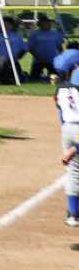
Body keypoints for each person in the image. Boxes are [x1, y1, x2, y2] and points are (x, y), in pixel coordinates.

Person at [55, 52, 79, 230]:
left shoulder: (60, 88)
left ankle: (73, 214)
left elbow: (60, 114)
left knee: (73, 172)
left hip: (67, 129)